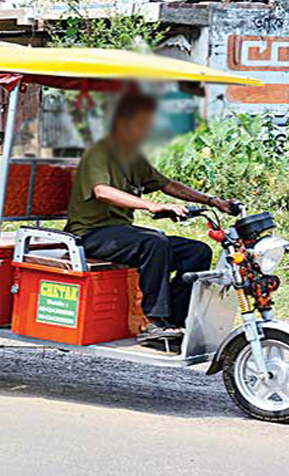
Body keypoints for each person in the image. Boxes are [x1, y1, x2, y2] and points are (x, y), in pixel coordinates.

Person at [64, 92, 238, 341]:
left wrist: (212, 201)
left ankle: (177, 319)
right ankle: (154, 322)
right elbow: (102, 191)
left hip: (120, 232)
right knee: (153, 242)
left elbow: (168, 185)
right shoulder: (99, 153)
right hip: (90, 234)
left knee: (197, 252)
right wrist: (150, 205)